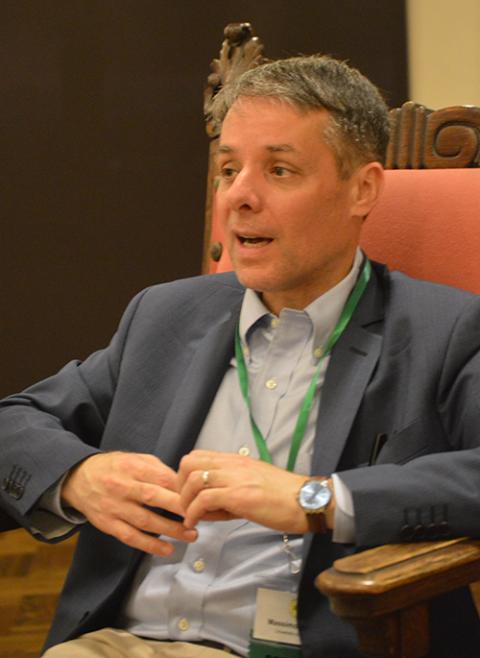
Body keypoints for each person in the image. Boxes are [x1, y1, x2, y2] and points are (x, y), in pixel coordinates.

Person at [1, 55, 480, 658]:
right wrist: (78, 477)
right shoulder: (166, 315)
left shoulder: (445, 328)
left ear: (363, 189)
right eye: (229, 169)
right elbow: (13, 422)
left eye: (279, 170)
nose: (239, 198)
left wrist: (317, 498)